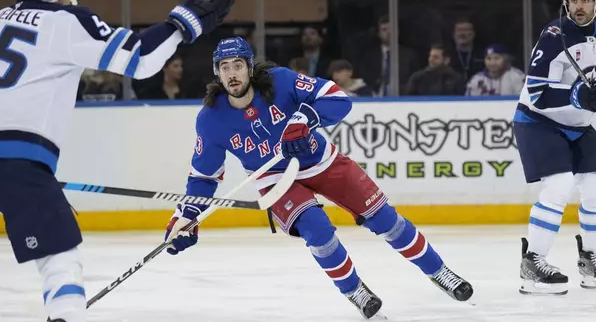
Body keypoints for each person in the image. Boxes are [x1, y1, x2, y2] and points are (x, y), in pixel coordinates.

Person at [0, 0, 233, 322]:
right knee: (58, 258)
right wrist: (182, 24)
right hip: (15, 157)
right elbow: (140, 59)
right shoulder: (67, 21)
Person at [163, 37, 473, 319]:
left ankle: (440, 271)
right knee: (317, 229)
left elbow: (338, 99)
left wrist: (304, 119)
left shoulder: (280, 81)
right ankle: (355, 291)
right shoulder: (211, 118)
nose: (232, 73)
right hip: (276, 180)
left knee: (386, 220)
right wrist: (187, 216)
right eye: (224, 67)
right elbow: (203, 176)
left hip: (321, 161)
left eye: (238, 65)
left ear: (249, 67)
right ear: (217, 72)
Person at [513, 0, 596, 296]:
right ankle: (534, 263)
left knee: (594, 188)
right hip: (538, 122)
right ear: (566, 2)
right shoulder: (555, 35)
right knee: (560, 185)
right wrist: (576, 96)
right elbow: (536, 92)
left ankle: (590, 259)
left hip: (578, 126)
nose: (579, 6)